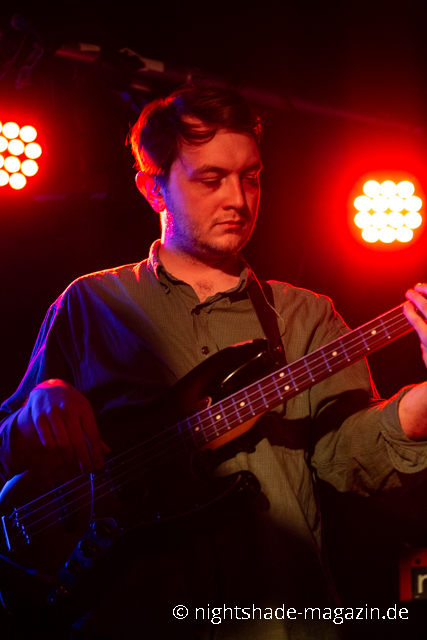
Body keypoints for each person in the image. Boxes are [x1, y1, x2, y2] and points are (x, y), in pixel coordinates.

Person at [0, 84, 427, 640]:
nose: (239, 200)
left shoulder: (305, 314)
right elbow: (8, 455)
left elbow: (349, 458)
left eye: (251, 177)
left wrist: (420, 405)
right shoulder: (91, 303)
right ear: (153, 189)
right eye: (211, 179)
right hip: (132, 618)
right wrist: (38, 404)